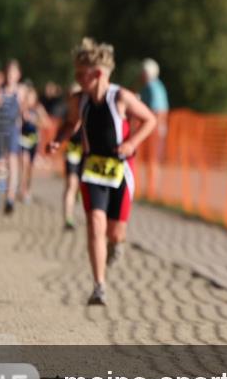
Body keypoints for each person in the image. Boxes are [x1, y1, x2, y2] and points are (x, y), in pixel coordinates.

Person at [49, 38, 156, 306]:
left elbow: (150, 120)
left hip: (121, 171)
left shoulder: (120, 97)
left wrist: (132, 143)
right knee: (95, 225)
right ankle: (99, 286)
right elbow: (71, 123)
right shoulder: (79, 100)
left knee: (115, 232)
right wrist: (58, 139)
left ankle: (117, 244)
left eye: (79, 73)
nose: (76, 78)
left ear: (96, 74)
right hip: (93, 170)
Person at [0, 61, 24, 214]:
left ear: (18, 75)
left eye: (13, 72)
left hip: (13, 130)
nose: (10, 75)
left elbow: (22, 111)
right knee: (0, 166)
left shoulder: (21, 91)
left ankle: (10, 199)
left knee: (13, 164)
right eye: (8, 72)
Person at [138, 58, 168, 196]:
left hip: (153, 129)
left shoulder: (152, 87)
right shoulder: (154, 86)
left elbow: (156, 111)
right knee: (152, 159)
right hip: (155, 128)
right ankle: (151, 188)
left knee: (153, 159)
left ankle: (152, 190)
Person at [18, 83, 50, 204]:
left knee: (30, 168)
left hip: (33, 141)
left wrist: (34, 120)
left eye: (31, 97)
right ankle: (22, 190)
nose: (29, 99)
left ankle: (28, 188)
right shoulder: (22, 108)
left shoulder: (38, 108)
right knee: (24, 164)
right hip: (22, 140)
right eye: (27, 97)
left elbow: (46, 123)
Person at [61, 83, 84, 231]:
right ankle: (68, 219)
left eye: (77, 95)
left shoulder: (89, 110)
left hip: (87, 154)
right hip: (72, 152)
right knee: (71, 184)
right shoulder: (67, 114)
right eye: (71, 96)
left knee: (80, 187)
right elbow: (61, 133)